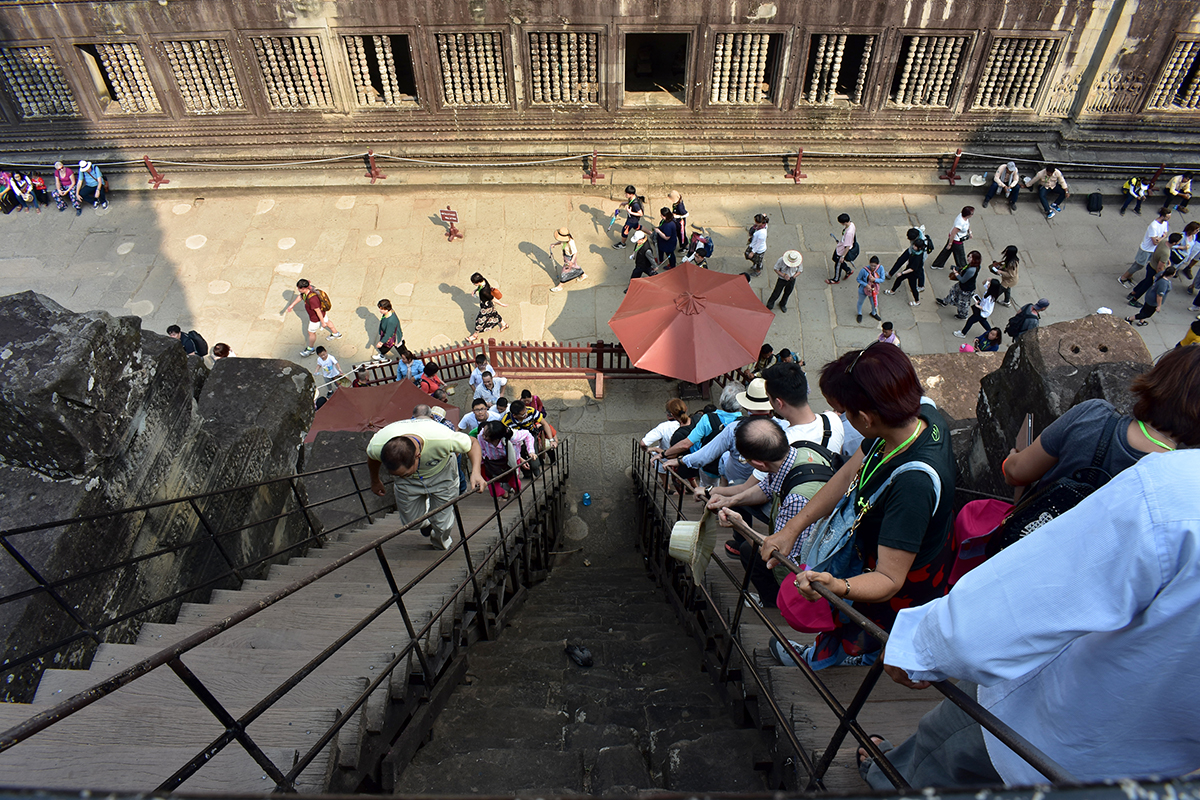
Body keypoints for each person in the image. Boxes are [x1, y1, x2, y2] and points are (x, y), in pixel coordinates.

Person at [863, 451, 1200, 789]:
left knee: (937, 757)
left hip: (1039, 725)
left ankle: (886, 778)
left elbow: (1022, 601)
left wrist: (917, 647)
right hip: (1145, 772)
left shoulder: (1173, 492)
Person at [759, 343, 955, 670]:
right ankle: (863, 657)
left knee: (863, 622)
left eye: (844, 412)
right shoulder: (915, 416)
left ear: (865, 418)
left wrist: (838, 586)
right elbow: (848, 473)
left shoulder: (914, 484)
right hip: (900, 544)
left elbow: (889, 578)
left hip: (895, 572)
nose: (842, 417)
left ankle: (828, 660)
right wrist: (791, 529)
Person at [1000, 346, 1196, 496]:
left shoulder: (1094, 416)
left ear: (1160, 378)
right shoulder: (1180, 484)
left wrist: (1010, 459)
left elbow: (1016, 473)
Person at [705, 416, 838, 610]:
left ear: (758, 464)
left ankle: (779, 605)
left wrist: (740, 526)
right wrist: (731, 500)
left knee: (748, 550)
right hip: (814, 546)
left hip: (806, 568)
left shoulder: (796, 499)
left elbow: (781, 556)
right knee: (748, 548)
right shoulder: (800, 451)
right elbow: (766, 488)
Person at [367, 416, 485, 550]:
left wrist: (476, 472)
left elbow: (472, 443)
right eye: (397, 475)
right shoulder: (378, 445)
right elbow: (372, 458)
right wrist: (375, 480)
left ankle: (440, 545)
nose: (401, 475)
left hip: (442, 473)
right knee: (411, 522)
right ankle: (427, 521)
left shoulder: (442, 438)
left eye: (405, 473)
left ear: (418, 456)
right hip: (409, 482)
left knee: (442, 523)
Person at [283, 278, 342, 357]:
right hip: (322, 314)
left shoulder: (312, 299)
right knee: (327, 321)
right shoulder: (308, 290)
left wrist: (322, 323)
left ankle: (310, 349)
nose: (298, 289)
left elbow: (318, 311)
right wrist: (292, 305)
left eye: (299, 288)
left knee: (311, 333)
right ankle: (336, 333)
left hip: (315, 319)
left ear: (304, 288)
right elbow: (300, 297)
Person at [477, 420, 535, 499]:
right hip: (492, 464)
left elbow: (527, 435)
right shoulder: (481, 435)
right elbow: (481, 449)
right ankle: (505, 494)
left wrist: (531, 451)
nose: (483, 436)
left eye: (486, 436)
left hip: (510, 462)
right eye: (483, 433)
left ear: (496, 439)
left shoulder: (512, 436)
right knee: (494, 491)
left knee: (514, 483)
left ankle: (517, 491)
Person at [1119, 207, 1172, 287]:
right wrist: (1162, 237)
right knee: (1138, 265)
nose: (1169, 219)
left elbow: (1165, 234)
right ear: (1163, 216)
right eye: (1168, 217)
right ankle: (1123, 277)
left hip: (1153, 250)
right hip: (1146, 249)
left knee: (1141, 265)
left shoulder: (1165, 223)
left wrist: (1160, 238)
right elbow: (1155, 242)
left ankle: (1129, 276)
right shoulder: (1154, 226)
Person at [643, 398, 691, 485]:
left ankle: (666, 485)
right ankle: (693, 486)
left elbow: (644, 443)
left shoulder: (663, 427)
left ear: (670, 414)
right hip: (690, 459)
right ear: (686, 409)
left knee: (658, 461)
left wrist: (653, 449)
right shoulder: (694, 422)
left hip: (671, 459)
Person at [1127, 232, 1180, 305]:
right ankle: (1133, 300)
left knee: (1145, 281)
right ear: (1174, 243)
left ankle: (1133, 293)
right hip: (1154, 270)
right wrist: (1161, 276)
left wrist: (1167, 260)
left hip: (1151, 264)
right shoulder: (1166, 253)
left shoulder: (1164, 241)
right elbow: (1160, 267)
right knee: (1146, 286)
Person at [886, 227, 927, 306]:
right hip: (909, 270)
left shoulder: (918, 257)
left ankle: (917, 301)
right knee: (899, 279)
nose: (912, 245)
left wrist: (902, 273)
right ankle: (892, 291)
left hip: (912, 273)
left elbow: (912, 268)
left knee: (913, 287)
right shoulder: (914, 251)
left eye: (915, 245)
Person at [937, 250, 981, 319]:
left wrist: (956, 273)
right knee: (952, 291)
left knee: (963, 303)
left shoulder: (971, 270)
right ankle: (945, 301)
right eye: (969, 256)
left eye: (971, 257)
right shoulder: (974, 266)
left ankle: (963, 315)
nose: (968, 258)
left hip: (966, 289)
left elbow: (962, 280)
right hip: (962, 286)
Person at [467, 272, 509, 342]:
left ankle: (475, 335)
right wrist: (475, 290)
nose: (474, 284)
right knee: (494, 314)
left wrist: (501, 304)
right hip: (488, 304)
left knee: (479, 321)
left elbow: (493, 298)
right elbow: (480, 287)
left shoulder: (484, 292)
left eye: (474, 283)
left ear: (478, 282)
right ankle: (504, 324)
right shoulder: (484, 280)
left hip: (486, 307)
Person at [929, 206, 973, 271]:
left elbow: (967, 224)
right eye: (972, 214)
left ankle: (937, 264)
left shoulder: (964, 217)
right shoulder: (960, 223)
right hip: (956, 241)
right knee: (960, 256)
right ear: (968, 215)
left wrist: (970, 232)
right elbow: (953, 233)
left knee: (946, 252)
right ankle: (963, 270)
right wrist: (950, 243)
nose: (972, 215)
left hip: (954, 240)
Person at [828, 213, 857, 284]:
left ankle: (836, 279)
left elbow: (847, 246)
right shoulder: (851, 224)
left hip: (842, 250)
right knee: (835, 258)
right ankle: (848, 270)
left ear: (844, 222)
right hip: (841, 245)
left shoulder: (849, 233)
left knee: (838, 263)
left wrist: (843, 256)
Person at [856, 256, 885, 323]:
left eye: (875, 266)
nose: (873, 267)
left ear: (877, 265)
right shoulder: (864, 270)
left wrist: (875, 280)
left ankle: (873, 313)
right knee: (860, 302)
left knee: (875, 303)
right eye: (871, 265)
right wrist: (866, 285)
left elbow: (882, 279)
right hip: (863, 289)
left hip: (874, 290)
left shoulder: (881, 268)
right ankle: (859, 314)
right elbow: (858, 279)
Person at [746, 213, 769, 278]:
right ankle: (757, 264)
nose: (755, 223)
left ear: (761, 223)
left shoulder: (762, 234)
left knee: (757, 260)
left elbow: (758, 244)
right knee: (747, 254)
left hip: (759, 249)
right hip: (753, 245)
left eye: (757, 222)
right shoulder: (763, 225)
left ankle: (758, 271)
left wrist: (752, 252)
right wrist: (763, 215)